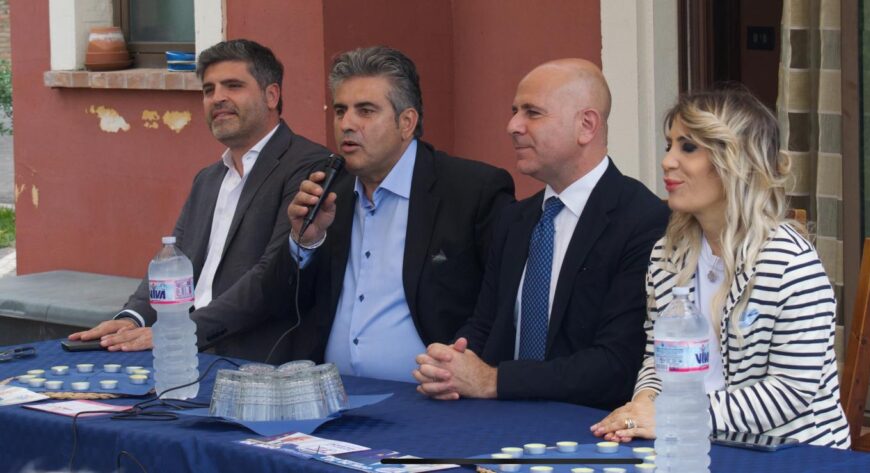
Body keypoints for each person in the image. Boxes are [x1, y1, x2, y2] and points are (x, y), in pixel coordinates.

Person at [590, 89, 851, 447]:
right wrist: (643, 404)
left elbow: (790, 392)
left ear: (736, 160)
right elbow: (658, 359)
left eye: (688, 147)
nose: (667, 161)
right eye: (669, 145)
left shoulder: (790, 263)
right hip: (694, 444)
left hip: (791, 455)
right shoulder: (667, 255)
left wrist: (674, 415)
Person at [412, 59, 669, 409]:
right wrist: (451, 363)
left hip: (586, 426)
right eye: (514, 111)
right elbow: (486, 324)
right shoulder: (515, 219)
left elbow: (617, 364)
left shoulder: (643, 220)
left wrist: (493, 381)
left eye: (532, 113)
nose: (513, 126)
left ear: (586, 125)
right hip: (496, 421)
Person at [68, 39, 328, 362]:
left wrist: (183, 331)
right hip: (182, 354)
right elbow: (174, 261)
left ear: (271, 95)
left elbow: (270, 278)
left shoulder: (309, 166)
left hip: (253, 364)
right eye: (208, 90)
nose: (217, 98)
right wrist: (131, 319)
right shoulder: (208, 179)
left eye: (233, 86)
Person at [270, 46, 515, 381]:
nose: (347, 124)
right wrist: (305, 242)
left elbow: (501, 304)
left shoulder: (472, 191)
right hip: (334, 391)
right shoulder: (328, 191)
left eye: (365, 111)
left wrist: (458, 369)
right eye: (340, 111)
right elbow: (282, 302)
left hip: (431, 394)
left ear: (406, 122)